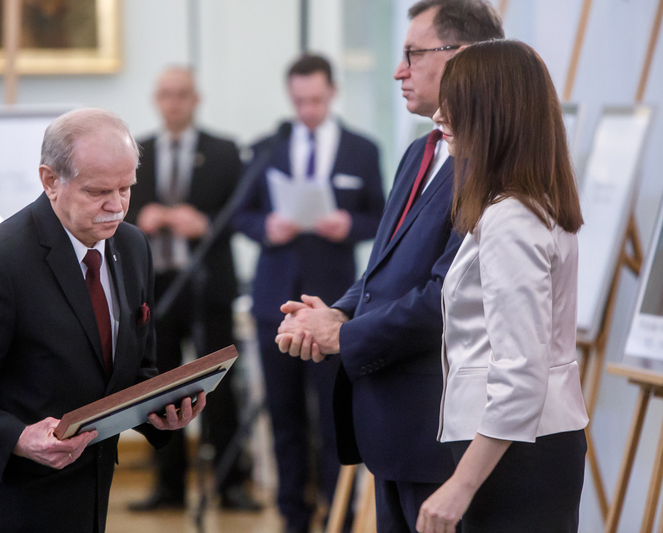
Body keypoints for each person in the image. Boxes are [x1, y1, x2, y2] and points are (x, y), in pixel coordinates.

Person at [0, 108, 206, 533]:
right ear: (50, 180)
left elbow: (131, 368)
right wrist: (19, 438)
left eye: (126, 188)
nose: (117, 206)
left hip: (89, 503)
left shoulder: (132, 246)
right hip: (5, 510)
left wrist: (162, 409)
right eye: (98, 191)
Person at [275, 2, 503, 532]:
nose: (399, 71)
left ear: (461, 57)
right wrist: (336, 312)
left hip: (442, 428)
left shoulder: (490, 163)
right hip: (391, 426)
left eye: (412, 55)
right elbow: (381, 270)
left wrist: (343, 335)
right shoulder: (421, 151)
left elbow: (446, 298)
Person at [415, 40, 589, 533]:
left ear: (494, 111)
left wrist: (461, 485)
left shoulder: (511, 218)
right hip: (525, 445)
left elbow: (520, 372)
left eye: (455, 102)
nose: (439, 116)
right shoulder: (533, 205)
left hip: (514, 455)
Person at [233, 54, 385, 533]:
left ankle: (337, 514)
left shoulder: (362, 149)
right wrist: (266, 227)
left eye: (316, 99)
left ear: (332, 92)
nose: (308, 110)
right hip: (274, 300)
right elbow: (239, 214)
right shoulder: (268, 148)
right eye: (299, 101)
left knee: (334, 417)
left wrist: (348, 224)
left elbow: (382, 218)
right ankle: (292, 516)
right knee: (284, 416)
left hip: (334, 303)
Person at [125, 67, 260, 512]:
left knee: (219, 387)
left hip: (208, 287)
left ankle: (229, 483)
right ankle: (168, 485)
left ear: (196, 99)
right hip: (155, 290)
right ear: (156, 99)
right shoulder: (136, 150)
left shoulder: (224, 151)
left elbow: (243, 212)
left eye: (182, 94)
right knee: (159, 387)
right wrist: (140, 219)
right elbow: (117, 209)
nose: (174, 103)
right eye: (166, 94)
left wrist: (205, 224)